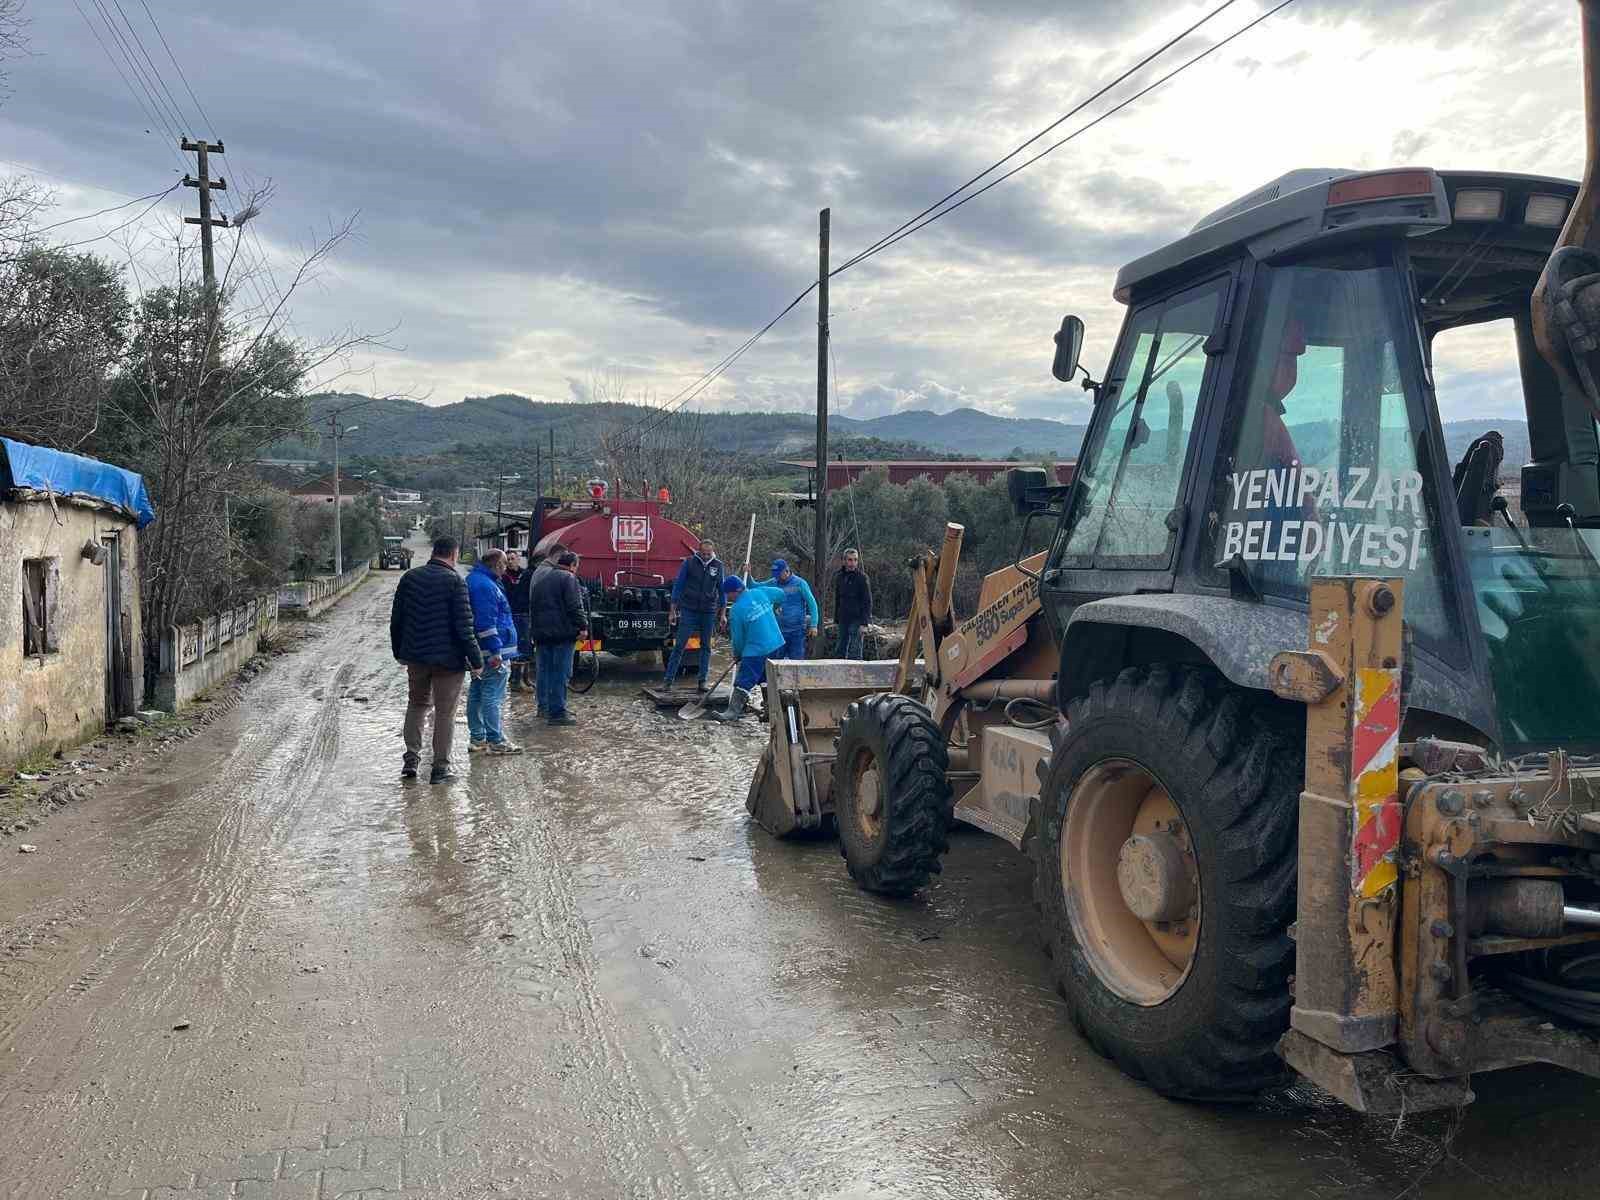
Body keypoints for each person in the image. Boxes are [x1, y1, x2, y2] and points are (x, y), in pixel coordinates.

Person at [389, 535, 484, 784]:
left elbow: (396, 620)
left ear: (434, 552)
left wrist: (399, 652)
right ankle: (440, 768)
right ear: (454, 554)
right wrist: (476, 660)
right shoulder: (455, 581)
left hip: (416, 657)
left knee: (417, 704)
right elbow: (465, 627)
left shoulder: (409, 578)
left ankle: (411, 759)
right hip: (448, 661)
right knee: (445, 712)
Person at [464, 548, 522, 756]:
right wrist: (496, 650)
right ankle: (495, 739)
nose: (506, 568)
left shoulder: (478, 581)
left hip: (483, 648)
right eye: (504, 564)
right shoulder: (484, 585)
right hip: (492, 651)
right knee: (492, 696)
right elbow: (486, 621)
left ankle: (478, 737)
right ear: (497, 564)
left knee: (478, 693)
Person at [713, 575, 785, 721]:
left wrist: (738, 654)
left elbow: (738, 638)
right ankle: (771, 712)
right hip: (776, 643)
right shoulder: (760, 592)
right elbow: (781, 594)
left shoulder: (736, 610)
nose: (728, 597)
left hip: (756, 649)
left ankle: (732, 712)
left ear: (734, 592)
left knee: (744, 680)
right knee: (767, 678)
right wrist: (774, 607)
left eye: (728, 594)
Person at [530, 550, 589, 726]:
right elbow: (574, 606)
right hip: (562, 634)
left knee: (544, 672)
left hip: (541, 634)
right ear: (572, 565)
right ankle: (558, 712)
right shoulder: (569, 579)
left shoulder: (542, 579)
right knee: (561, 673)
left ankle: (544, 708)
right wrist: (583, 626)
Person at [664, 538, 725, 692]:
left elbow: (722, 591)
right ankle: (668, 681)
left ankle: (702, 681)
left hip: (708, 611)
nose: (705, 556)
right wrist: (672, 611)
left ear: (712, 552)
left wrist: (722, 614)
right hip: (689, 610)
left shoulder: (718, 566)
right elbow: (678, 586)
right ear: (699, 551)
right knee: (679, 646)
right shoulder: (689, 563)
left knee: (706, 647)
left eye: (708, 554)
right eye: (703, 553)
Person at [768, 558, 819, 660]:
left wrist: (814, 625)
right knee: (776, 663)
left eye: (778, 575)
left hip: (797, 631)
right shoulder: (774, 582)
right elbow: (755, 586)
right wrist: (748, 575)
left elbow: (812, 604)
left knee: (796, 662)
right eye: (775, 575)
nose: (776, 578)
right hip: (779, 632)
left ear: (786, 571)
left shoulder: (800, 583)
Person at [832, 548, 872, 659]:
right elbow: (837, 599)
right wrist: (836, 619)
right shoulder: (839, 577)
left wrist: (864, 623)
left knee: (855, 650)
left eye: (855, 560)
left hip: (857, 619)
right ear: (844, 561)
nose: (852, 563)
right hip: (843, 618)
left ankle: (856, 674)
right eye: (850, 560)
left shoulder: (862, 578)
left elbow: (867, 601)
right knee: (840, 648)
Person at [507, 552, 538, 694]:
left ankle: (525, 677)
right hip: (515, 614)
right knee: (518, 647)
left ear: (519, 559)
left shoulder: (525, 574)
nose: (510, 561)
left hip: (525, 613)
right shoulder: (504, 576)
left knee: (527, 646)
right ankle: (515, 680)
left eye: (513, 559)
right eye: (508, 559)